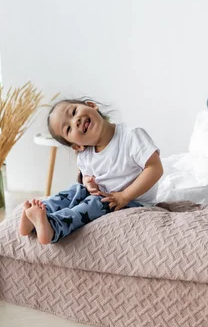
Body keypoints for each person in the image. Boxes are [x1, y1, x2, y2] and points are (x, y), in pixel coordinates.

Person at [18, 98, 163, 245]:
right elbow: (87, 176)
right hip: (104, 195)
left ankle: (54, 227)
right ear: (77, 146)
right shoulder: (85, 155)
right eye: (68, 129)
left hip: (134, 201)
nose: (76, 121)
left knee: (93, 203)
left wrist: (125, 196)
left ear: (92, 106)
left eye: (74, 112)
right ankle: (40, 214)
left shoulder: (131, 136)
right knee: (76, 189)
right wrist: (89, 183)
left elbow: (155, 168)